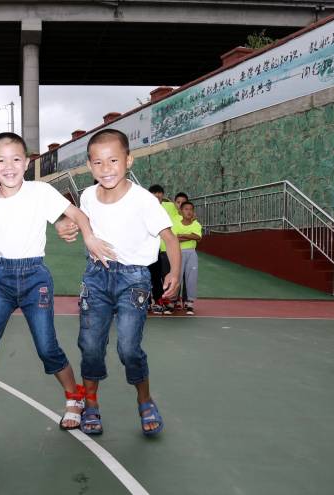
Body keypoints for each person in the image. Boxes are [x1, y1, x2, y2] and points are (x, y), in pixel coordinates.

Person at [0, 132, 114, 441]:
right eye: (0, 160)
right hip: (0, 278)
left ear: (26, 162)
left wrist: (89, 236)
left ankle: (74, 396)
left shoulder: (39, 192)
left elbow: (76, 213)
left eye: (16, 159)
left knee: (46, 346)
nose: (9, 166)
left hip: (34, 277)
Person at [55, 129, 181, 437]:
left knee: (128, 348)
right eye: (98, 163)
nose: (106, 168)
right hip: (96, 277)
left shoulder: (143, 200)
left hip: (133, 280)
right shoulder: (87, 196)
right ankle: (91, 403)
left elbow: (169, 237)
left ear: (128, 160)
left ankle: (145, 399)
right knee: (91, 346)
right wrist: (68, 227)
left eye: (113, 160)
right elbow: (80, 223)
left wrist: (174, 272)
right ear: (89, 165)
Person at [148, 184, 182, 314]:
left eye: (160, 198)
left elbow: (179, 214)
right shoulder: (141, 207)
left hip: (159, 250)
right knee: (144, 278)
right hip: (144, 251)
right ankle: (144, 302)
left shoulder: (168, 207)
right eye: (154, 197)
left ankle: (158, 301)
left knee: (157, 278)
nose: (157, 200)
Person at [174, 201, 202, 316]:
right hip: (178, 253)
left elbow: (197, 237)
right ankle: (172, 302)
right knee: (177, 277)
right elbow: (175, 239)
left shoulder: (196, 224)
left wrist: (182, 235)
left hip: (191, 253)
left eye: (191, 209)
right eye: (186, 209)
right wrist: (190, 236)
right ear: (181, 211)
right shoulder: (175, 224)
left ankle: (189, 303)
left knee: (191, 278)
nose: (189, 211)